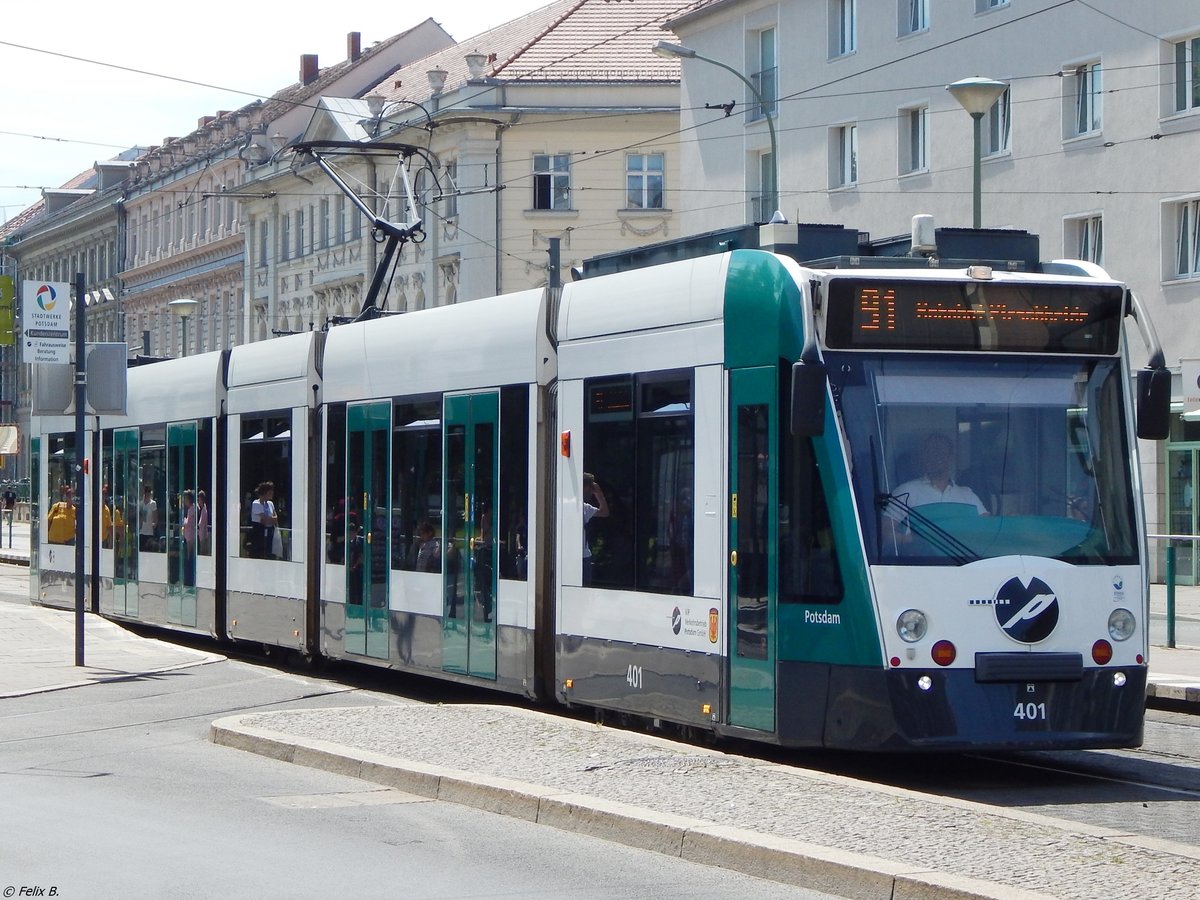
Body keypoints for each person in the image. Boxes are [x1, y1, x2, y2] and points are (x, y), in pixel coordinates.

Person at [889, 433, 988, 519]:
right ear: (924, 457)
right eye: (931, 452)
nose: (937, 457)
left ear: (951, 457)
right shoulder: (905, 492)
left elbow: (988, 529)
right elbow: (886, 533)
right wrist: (914, 538)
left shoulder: (968, 496)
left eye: (942, 452)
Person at [582, 472, 609, 585]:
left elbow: (604, 512)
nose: (591, 493)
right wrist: (599, 494)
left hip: (584, 556)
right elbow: (604, 512)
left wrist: (599, 494)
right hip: (580, 558)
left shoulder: (584, 507)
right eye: (590, 489)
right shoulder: (581, 507)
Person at [250, 481, 278, 558]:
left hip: (270, 532)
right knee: (259, 553)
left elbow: (275, 518)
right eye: (270, 492)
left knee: (270, 553)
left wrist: (270, 519)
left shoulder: (270, 504)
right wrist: (269, 519)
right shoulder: (256, 503)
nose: (272, 493)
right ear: (266, 492)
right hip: (259, 532)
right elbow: (264, 520)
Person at [180, 489, 198, 586]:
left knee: (189, 556)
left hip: (190, 536)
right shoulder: (190, 510)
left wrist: (184, 520)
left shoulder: (192, 509)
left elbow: (188, 523)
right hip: (188, 536)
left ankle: (189, 580)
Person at [139, 484, 158, 552]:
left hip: (149, 531)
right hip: (141, 531)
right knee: (141, 550)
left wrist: (154, 524)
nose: (147, 495)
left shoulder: (153, 503)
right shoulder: (140, 503)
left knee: (148, 550)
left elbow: (155, 517)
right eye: (146, 493)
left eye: (148, 493)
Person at [196, 490, 210, 555]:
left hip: (202, 535)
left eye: (199, 499)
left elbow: (201, 524)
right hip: (203, 535)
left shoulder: (204, 510)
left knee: (203, 552)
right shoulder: (203, 509)